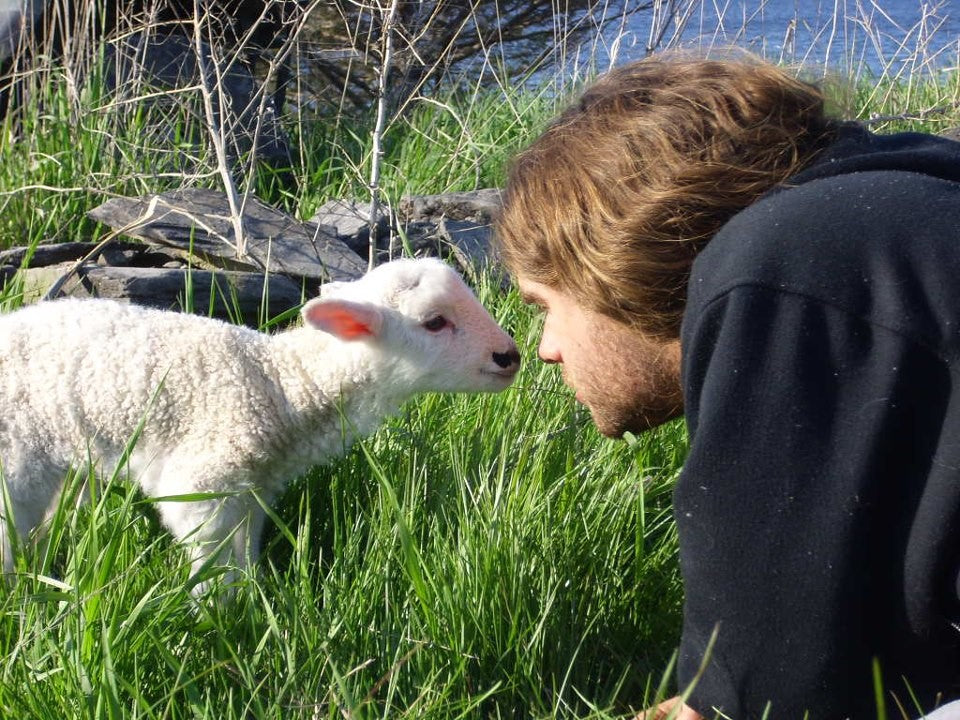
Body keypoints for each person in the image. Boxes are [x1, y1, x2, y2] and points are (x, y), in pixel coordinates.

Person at [494, 53, 960, 720]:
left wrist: (714, 698)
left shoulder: (785, 262)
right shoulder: (909, 211)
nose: (546, 352)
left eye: (545, 306)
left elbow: (773, 695)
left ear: (606, 262)